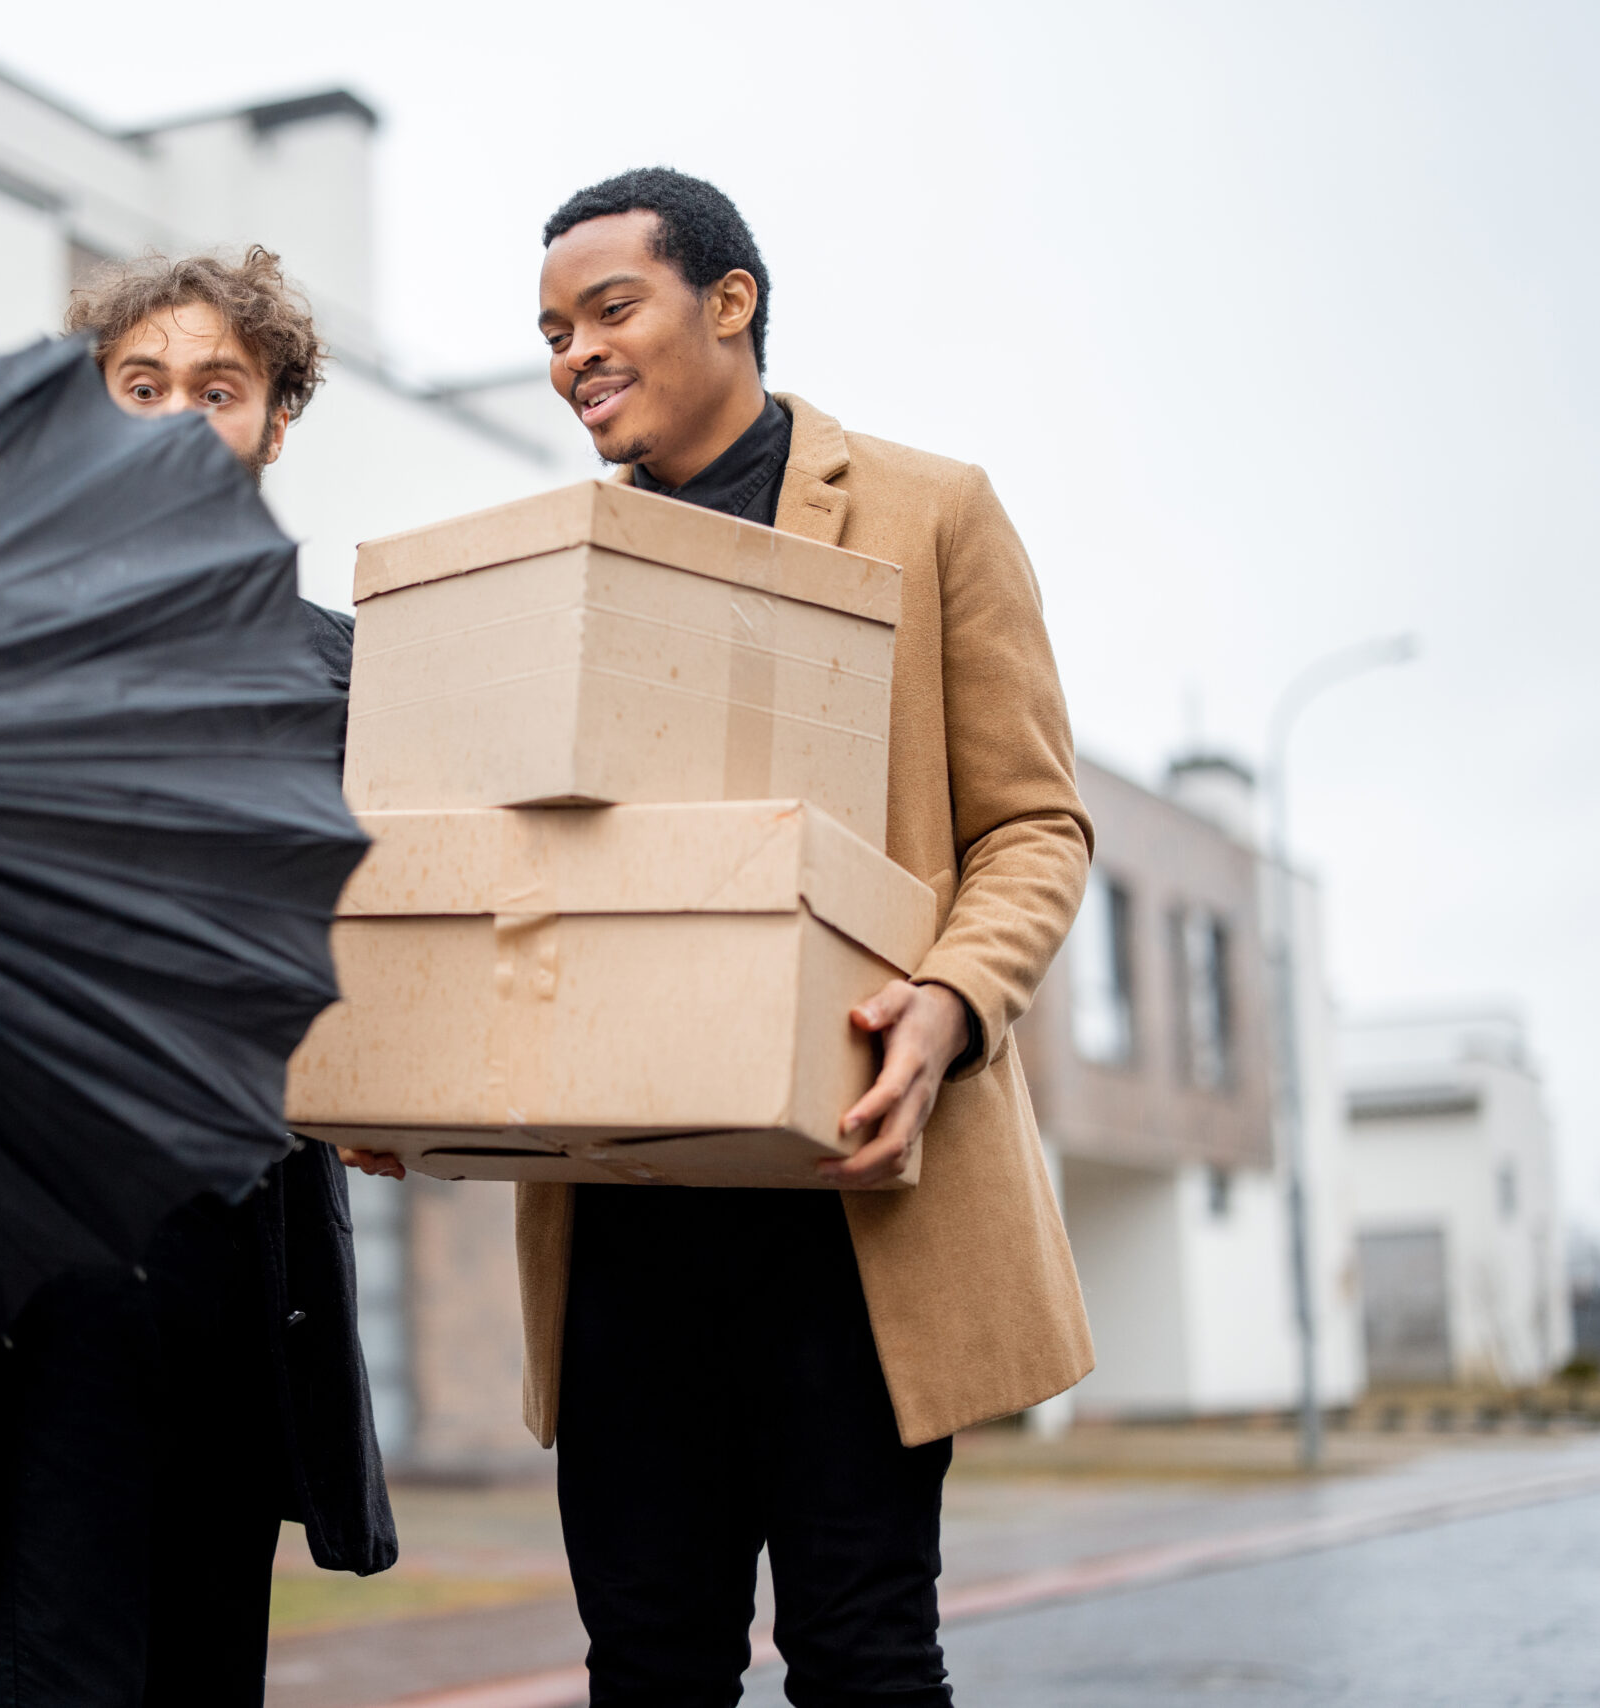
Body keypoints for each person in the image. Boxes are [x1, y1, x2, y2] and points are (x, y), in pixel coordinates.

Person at [350, 168, 1095, 1707]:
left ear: (730, 302)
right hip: (622, 1222)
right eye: (554, 330)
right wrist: (408, 1077)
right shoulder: (549, 574)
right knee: (648, 1664)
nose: (574, 355)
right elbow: (497, 867)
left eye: (608, 309)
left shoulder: (928, 509)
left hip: (854, 1206)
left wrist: (955, 998)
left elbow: (1033, 825)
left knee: (866, 1655)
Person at [0, 247, 390, 1708]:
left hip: (241, 1273)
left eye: (218, 387)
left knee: (208, 1680)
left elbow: (393, 941)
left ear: (273, 421)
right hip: (34, 1289)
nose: (180, 416)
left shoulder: (359, 678)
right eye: (142, 387)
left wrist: (401, 1088)